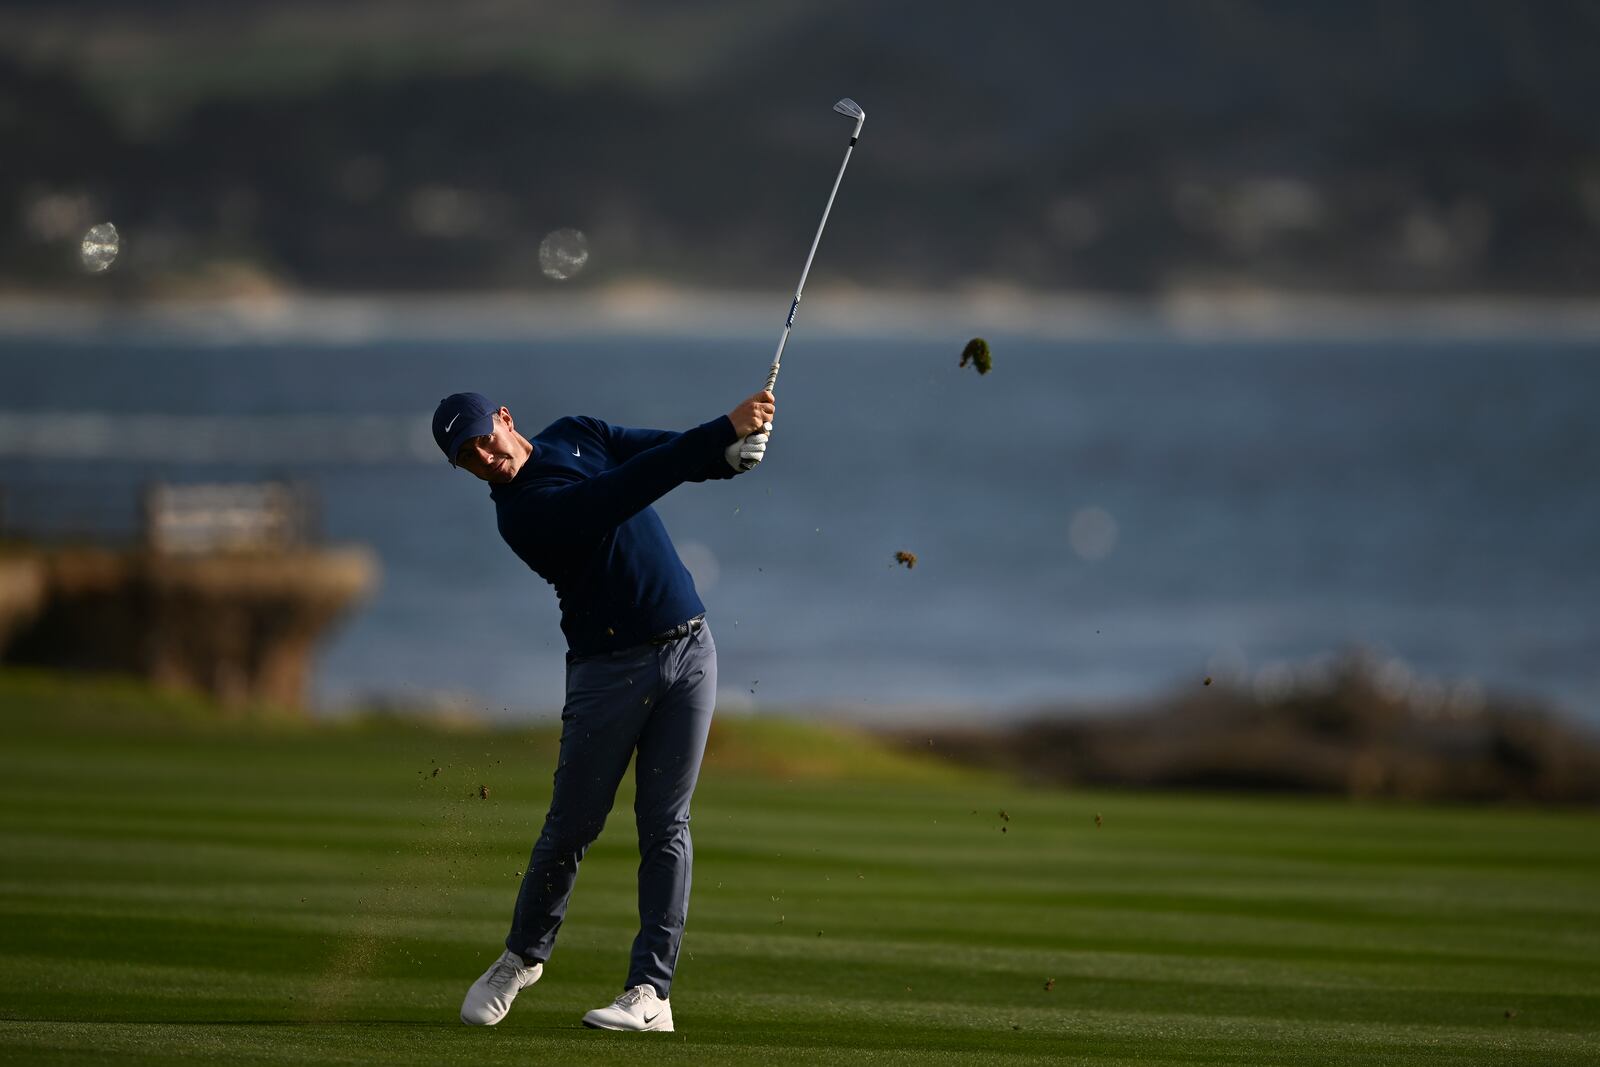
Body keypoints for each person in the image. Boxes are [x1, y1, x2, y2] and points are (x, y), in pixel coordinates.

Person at [433, 387, 774, 1033]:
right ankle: (523, 956)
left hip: (692, 650)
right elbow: (621, 491)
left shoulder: (577, 430)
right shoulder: (522, 514)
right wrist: (722, 428)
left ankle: (651, 991)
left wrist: (729, 455)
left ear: (505, 418)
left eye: (484, 437)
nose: (483, 455)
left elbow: (663, 452)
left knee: (665, 823)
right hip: (607, 670)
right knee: (572, 826)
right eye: (467, 456)